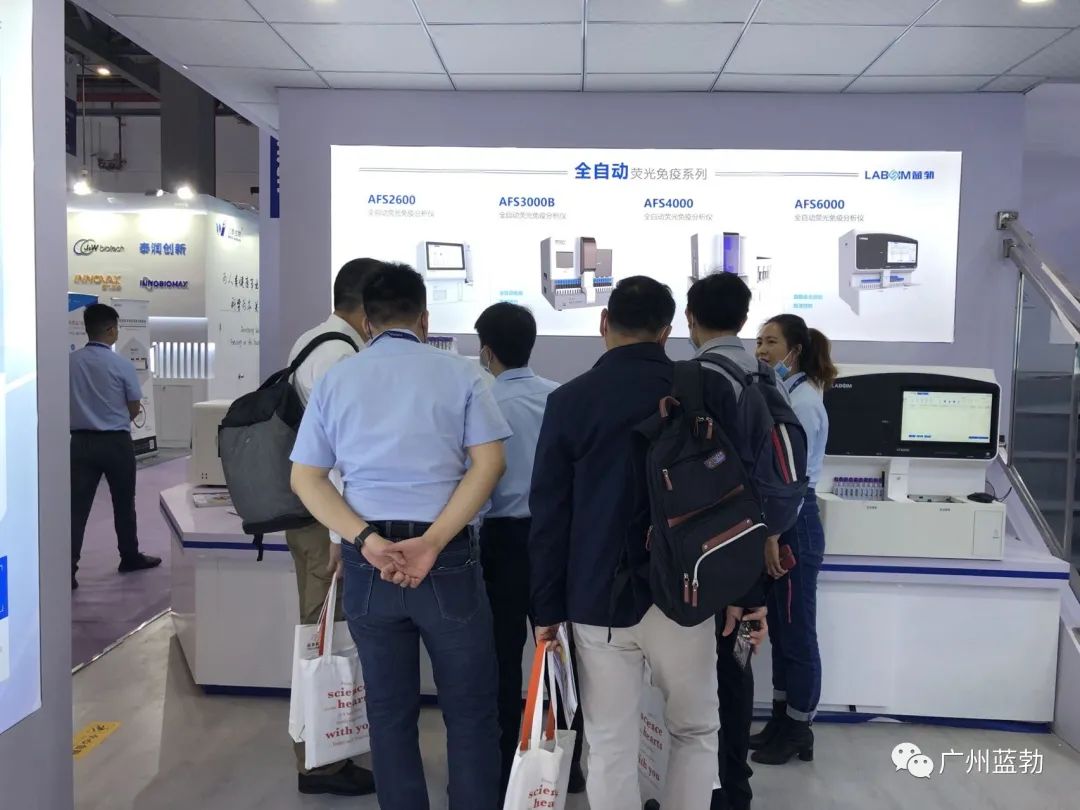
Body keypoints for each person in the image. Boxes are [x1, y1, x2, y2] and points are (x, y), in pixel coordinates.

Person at [290, 262, 509, 810]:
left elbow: (305, 478)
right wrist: (432, 542)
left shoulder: (338, 378)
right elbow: (489, 465)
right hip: (446, 560)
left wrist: (364, 540)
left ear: (367, 321)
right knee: (470, 711)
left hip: (372, 563)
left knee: (388, 713)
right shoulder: (462, 374)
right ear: (424, 318)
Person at [531, 276, 742, 810]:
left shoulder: (568, 401)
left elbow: (550, 515)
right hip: (688, 592)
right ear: (668, 331)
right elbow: (739, 500)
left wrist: (546, 611)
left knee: (608, 742)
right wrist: (743, 592)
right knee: (695, 731)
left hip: (597, 597)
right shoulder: (704, 389)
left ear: (603, 322)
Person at [473, 302, 585, 799]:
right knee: (559, 654)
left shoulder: (482, 401)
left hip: (501, 542)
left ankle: (506, 768)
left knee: (500, 658)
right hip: (557, 540)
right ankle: (567, 766)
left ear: (486, 352)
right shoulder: (560, 397)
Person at [284, 258, 378, 797]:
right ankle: (320, 764)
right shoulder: (340, 356)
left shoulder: (311, 341)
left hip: (314, 517)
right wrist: (344, 536)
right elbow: (337, 456)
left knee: (320, 635)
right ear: (367, 311)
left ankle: (324, 753)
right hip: (327, 522)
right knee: (325, 638)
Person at [685, 273, 775, 810]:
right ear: (743, 320)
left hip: (702, 554)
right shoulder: (767, 376)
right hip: (753, 553)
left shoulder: (694, 378)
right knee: (737, 668)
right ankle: (735, 789)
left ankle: (704, 788)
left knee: (698, 675)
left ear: (690, 319)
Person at [751, 314, 835, 765]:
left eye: (771, 342)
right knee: (783, 630)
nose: (762, 351)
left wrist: (774, 533)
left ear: (795, 350)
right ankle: (782, 720)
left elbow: (792, 481)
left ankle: (799, 728)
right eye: (759, 342)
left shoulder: (801, 403)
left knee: (797, 631)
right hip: (786, 519)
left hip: (794, 523)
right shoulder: (785, 393)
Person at [69, 303, 161, 590]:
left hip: (79, 442)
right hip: (116, 443)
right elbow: (134, 406)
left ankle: (67, 569)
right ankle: (129, 557)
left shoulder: (69, 363)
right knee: (123, 503)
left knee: (76, 508)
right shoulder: (121, 364)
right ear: (110, 330)